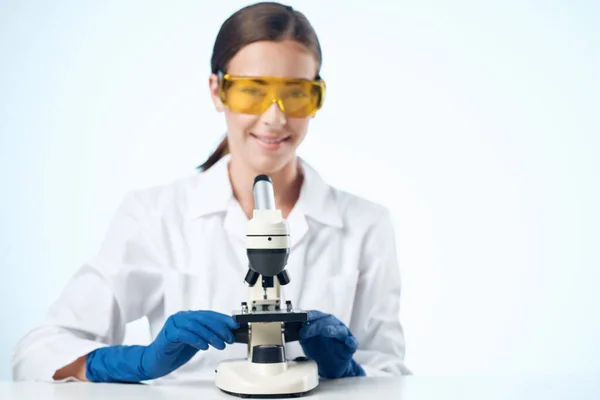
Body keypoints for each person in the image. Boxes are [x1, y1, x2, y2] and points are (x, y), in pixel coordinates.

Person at [12, 1, 411, 383]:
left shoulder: (366, 225)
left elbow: (389, 375)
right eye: (252, 90)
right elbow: (39, 350)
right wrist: (133, 362)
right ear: (217, 91)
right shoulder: (154, 216)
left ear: (317, 96)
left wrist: (349, 372)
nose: (274, 116)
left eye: (294, 92)